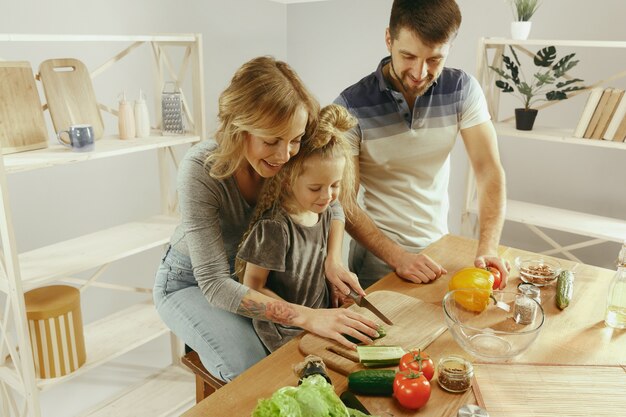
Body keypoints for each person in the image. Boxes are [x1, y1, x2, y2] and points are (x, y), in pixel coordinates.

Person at [153, 56, 378, 383]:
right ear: (238, 126)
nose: (285, 154)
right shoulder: (200, 170)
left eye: (295, 140)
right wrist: (308, 317)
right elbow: (215, 285)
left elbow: (333, 199)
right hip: (191, 284)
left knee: (302, 357)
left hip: (250, 277)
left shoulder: (290, 144)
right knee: (256, 372)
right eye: (271, 141)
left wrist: (333, 261)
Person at [334, 0, 509, 289]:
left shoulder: (462, 90)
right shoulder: (350, 107)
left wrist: (488, 247)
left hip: (439, 250)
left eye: (434, 60)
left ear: (449, 48)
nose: (419, 73)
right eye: (408, 56)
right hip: (377, 263)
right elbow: (344, 202)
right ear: (389, 38)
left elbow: (489, 171)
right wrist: (399, 257)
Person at [235, 104, 364, 352]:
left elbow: (336, 211)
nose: (327, 196)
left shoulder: (322, 210)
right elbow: (253, 287)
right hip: (285, 330)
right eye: (316, 188)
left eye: (335, 185)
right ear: (288, 181)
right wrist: (307, 320)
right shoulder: (274, 229)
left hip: (319, 320)